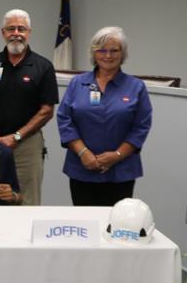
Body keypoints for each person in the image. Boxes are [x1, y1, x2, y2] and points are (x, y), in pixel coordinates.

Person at [56, 26, 152, 206]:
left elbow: (141, 127)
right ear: (94, 53)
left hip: (121, 171)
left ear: (122, 53)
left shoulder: (136, 87)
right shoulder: (78, 83)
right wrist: (84, 153)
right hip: (82, 167)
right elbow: (64, 119)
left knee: (115, 225)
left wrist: (117, 155)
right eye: (102, 50)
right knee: (86, 225)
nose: (108, 56)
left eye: (114, 50)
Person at [0, 9, 58, 206]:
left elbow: (46, 111)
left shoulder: (43, 66)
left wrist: (16, 136)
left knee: (27, 199)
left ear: (29, 32)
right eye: (11, 28)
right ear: (3, 32)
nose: (16, 33)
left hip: (26, 144)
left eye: (21, 28)